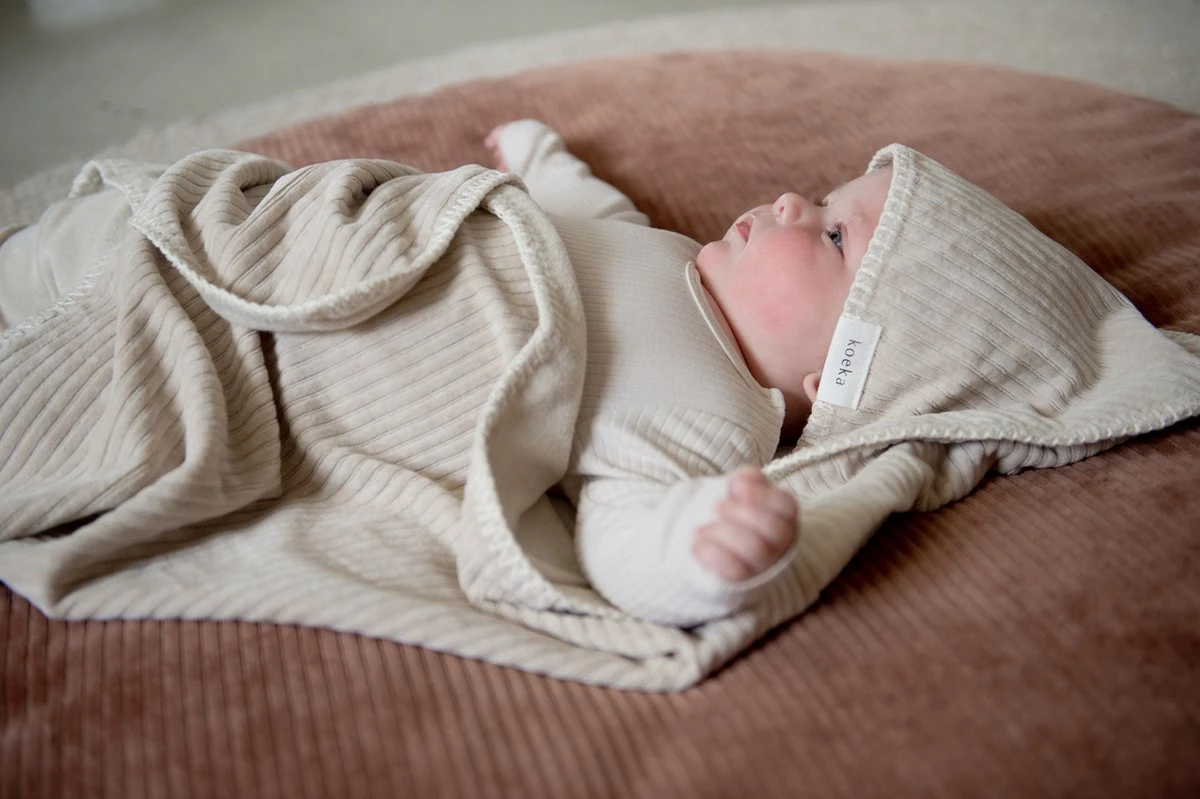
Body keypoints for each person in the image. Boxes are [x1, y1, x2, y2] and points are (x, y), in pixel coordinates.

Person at [483, 120, 892, 626]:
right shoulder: (677, 254)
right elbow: (596, 214)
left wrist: (701, 547)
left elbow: (623, 538)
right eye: (823, 200)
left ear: (835, 376)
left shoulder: (713, 416)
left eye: (834, 236)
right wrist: (538, 159)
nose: (790, 202)